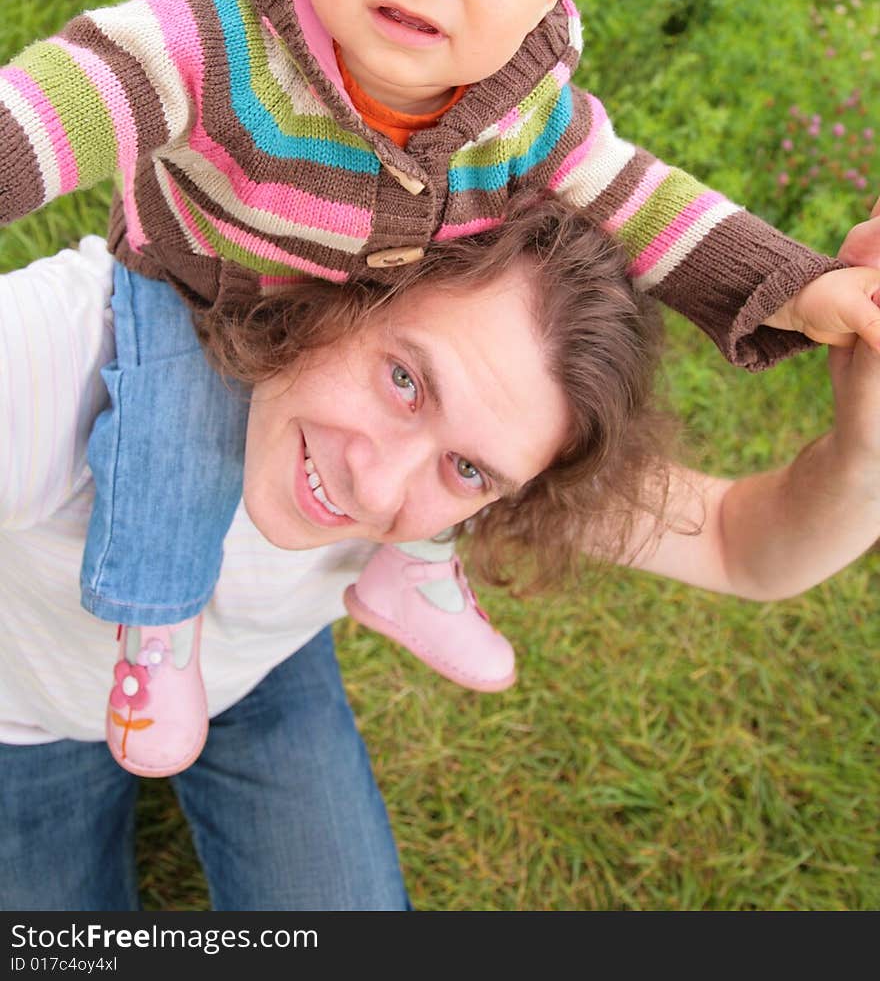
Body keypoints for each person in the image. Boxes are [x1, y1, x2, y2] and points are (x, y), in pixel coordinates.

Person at [3, 0, 880, 779]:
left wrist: (798, 290)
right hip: (191, 295)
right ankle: (157, 626)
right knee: (176, 450)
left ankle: (410, 569)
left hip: (290, 600)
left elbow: (643, 200)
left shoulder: (517, 118)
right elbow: (82, 92)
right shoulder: (230, 35)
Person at [1, 199, 878, 911]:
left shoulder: (505, 433)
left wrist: (868, 448)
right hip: (23, 717)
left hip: (260, 675)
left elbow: (739, 545)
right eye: (405, 380)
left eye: (466, 469)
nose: (377, 494)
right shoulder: (82, 359)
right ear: (341, 275)